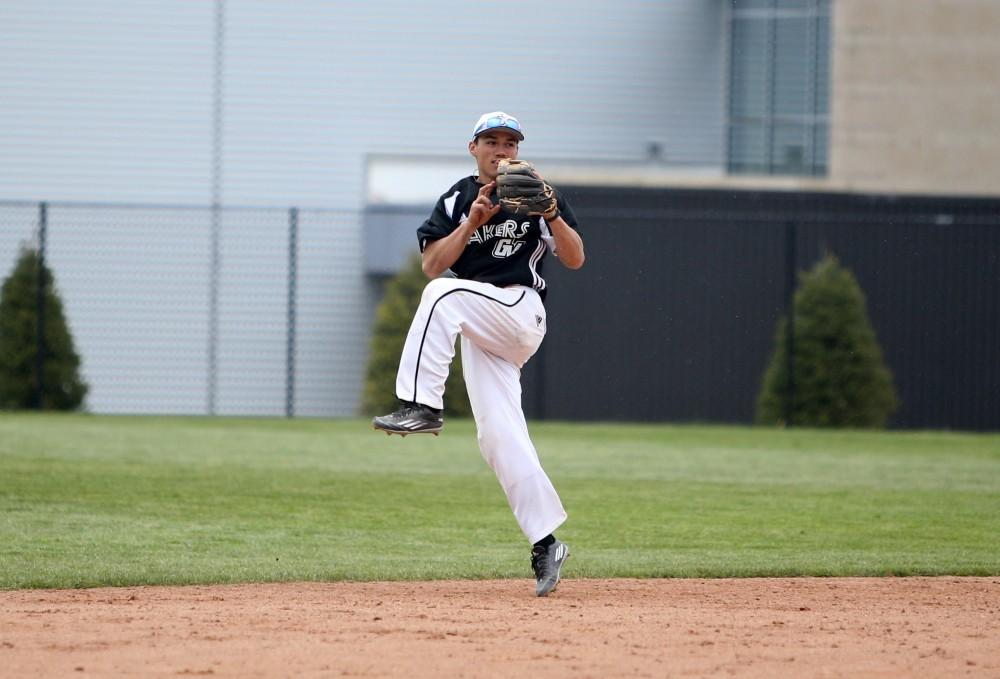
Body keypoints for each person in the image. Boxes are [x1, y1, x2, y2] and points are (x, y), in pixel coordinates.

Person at [372, 111, 585, 597]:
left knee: (442, 297)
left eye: (511, 141)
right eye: (492, 140)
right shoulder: (457, 198)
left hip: (521, 309)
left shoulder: (537, 193)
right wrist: (471, 222)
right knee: (497, 437)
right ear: (473, 147)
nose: (503, 149)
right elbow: (432, 264)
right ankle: (546, 543)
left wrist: (551, 211)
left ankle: (422, 407)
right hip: (483, 324)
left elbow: (574, 258)